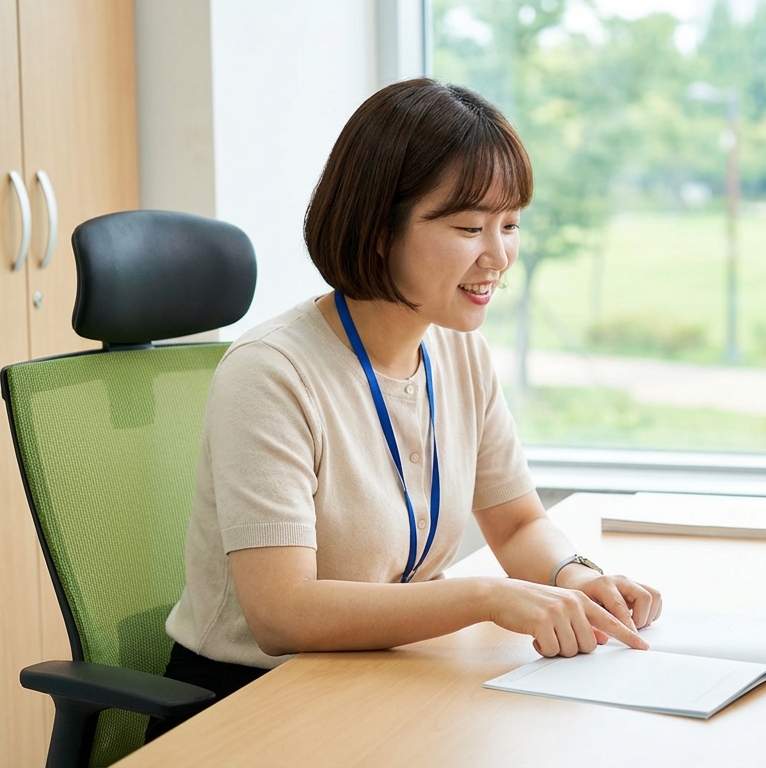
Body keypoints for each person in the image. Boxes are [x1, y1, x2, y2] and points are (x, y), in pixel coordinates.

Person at [148, 79, 661, 739]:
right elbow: (283, 614)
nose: (499, 256)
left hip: (381, 678)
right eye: (470, 227)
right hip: (250, 706)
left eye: (510, 226)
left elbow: (515, 525)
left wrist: (575, 577)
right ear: (379, 228)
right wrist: (484, 597)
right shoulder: (272, 373)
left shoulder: (457, 353)